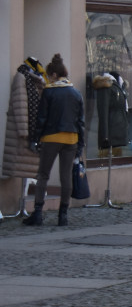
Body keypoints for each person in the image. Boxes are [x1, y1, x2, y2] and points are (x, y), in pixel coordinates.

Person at [24, 54, 85, 227]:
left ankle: (37, 213)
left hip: (51, 137)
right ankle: (63, 216)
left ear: (54, 75)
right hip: (71, 138)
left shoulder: (49, 91)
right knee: (66, 177)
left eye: (49, 75)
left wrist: (35, 139)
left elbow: (41, 118)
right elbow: (81, 121)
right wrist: (81, 143)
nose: (48, 78)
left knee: (43, 175)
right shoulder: (76, 93)